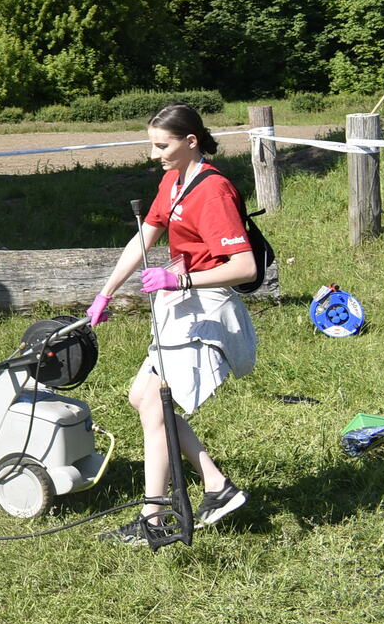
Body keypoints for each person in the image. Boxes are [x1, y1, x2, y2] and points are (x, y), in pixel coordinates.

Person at [86, 103, 256, 545]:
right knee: (143, 396)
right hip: (181, 305)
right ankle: (217, 487)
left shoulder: (213, 190)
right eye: (153, 145)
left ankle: (154, 519)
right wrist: (106, 292)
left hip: (205, 307)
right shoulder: (174, 180)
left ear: (191, 141)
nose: (155, 154)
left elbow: (244, 267)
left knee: (155, 407)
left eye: (163, 145)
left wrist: (179, 277)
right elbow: (145, 236)